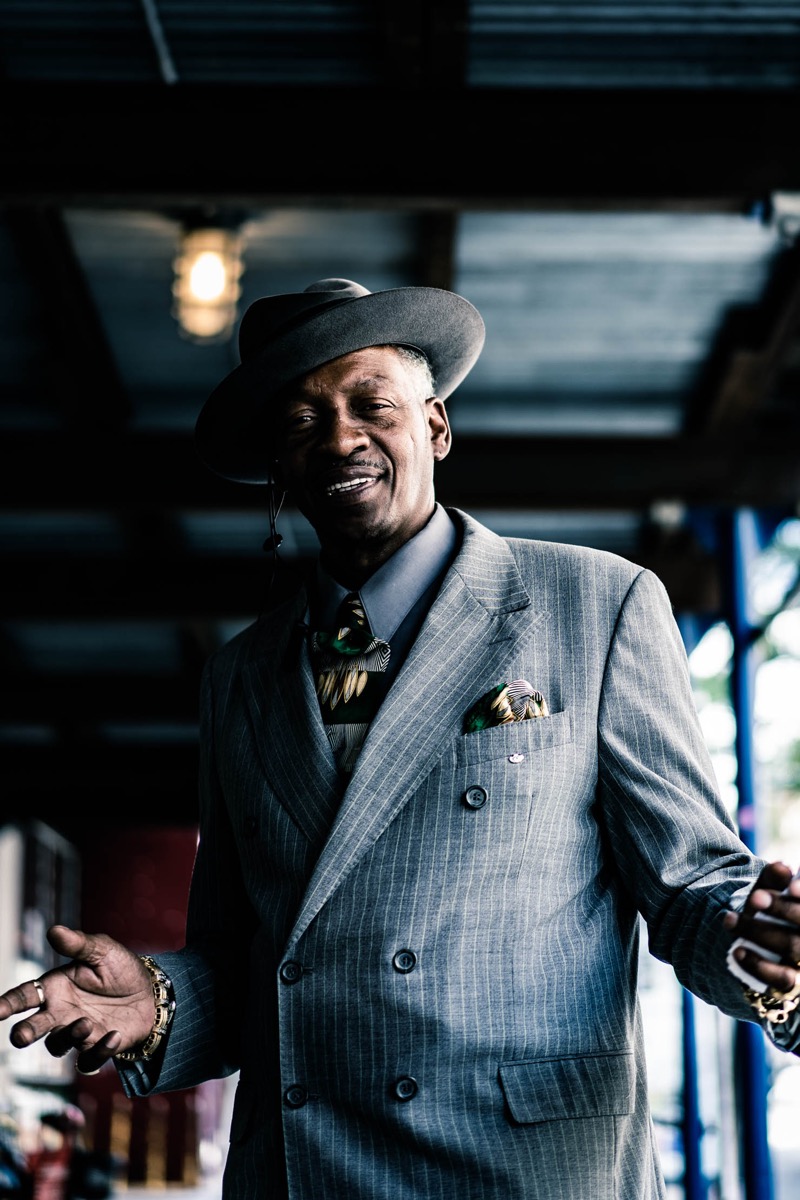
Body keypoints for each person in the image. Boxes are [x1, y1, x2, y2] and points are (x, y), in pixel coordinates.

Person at [1, 276, 800, 1199]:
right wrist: (159, 1003)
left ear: (436, 426)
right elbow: (246, 952)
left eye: (370, 405)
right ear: (279, 465)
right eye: (301, 422)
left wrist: (766, 951)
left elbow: (693, 886)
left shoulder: (597, 604)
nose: (340, 437)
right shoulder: (241, 677)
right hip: (302, 1171)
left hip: (526, 1171)